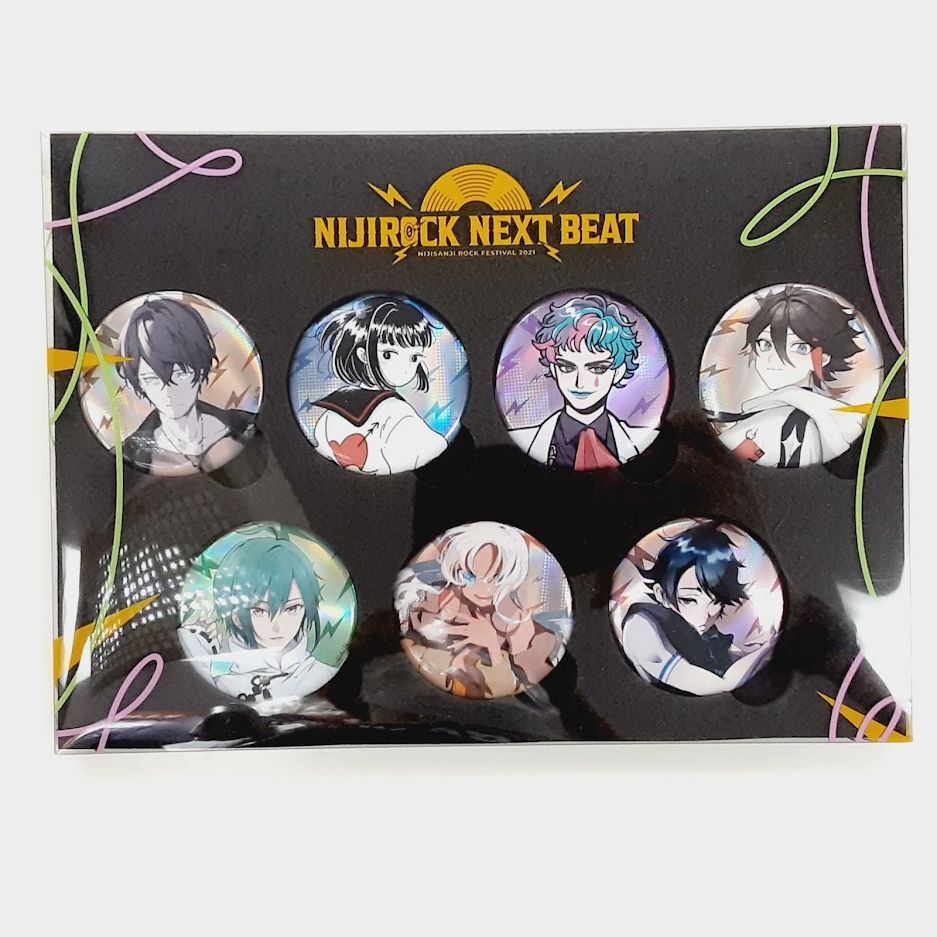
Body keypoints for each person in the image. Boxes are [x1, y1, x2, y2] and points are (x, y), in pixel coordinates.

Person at [395, 522, 568, 698]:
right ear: (457, 569)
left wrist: (492, 645)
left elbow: (527, 688)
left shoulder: (521, 626)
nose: (484, 589)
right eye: (471, 575)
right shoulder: (433, 605)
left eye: (496, 577)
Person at [717, 286, 866, 467]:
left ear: (823, 357)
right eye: (765, 344)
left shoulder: (778, 421)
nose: (773, 359)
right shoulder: (766, 417)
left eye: (799, 347)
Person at [179, 531, 337, 702]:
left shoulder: (321, 672)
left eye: (292, 608)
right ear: (236, 616)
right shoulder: (215, 670)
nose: (278, 626)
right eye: (260, 611)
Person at [620, 522, 775, 695]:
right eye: (689, 599)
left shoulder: (705, 634)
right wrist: (768, 647)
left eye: (716, 601)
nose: (705, 615)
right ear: (661, 594)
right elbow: (718, 683)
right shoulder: (640, 626)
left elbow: (732, 662)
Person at [118, 296, 255, 474]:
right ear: (140, 383)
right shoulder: (129, 453)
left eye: (180, 374)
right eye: (152, 379)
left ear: (200, 368)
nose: (168, 392)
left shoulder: (243, 424)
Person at [312, 296, 447, 473]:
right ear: (363, 355)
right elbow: (430, 450)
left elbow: (320, 442)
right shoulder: (396, 412)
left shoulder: (331, 411)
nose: (404, 368)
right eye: (388, 355)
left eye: (414, 358)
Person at [509, 293, 644, 469]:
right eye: (567, 367)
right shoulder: (526, 439)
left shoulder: (637, 438)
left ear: (619, 372)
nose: (580, 383)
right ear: (553, 369)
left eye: (597, 369)